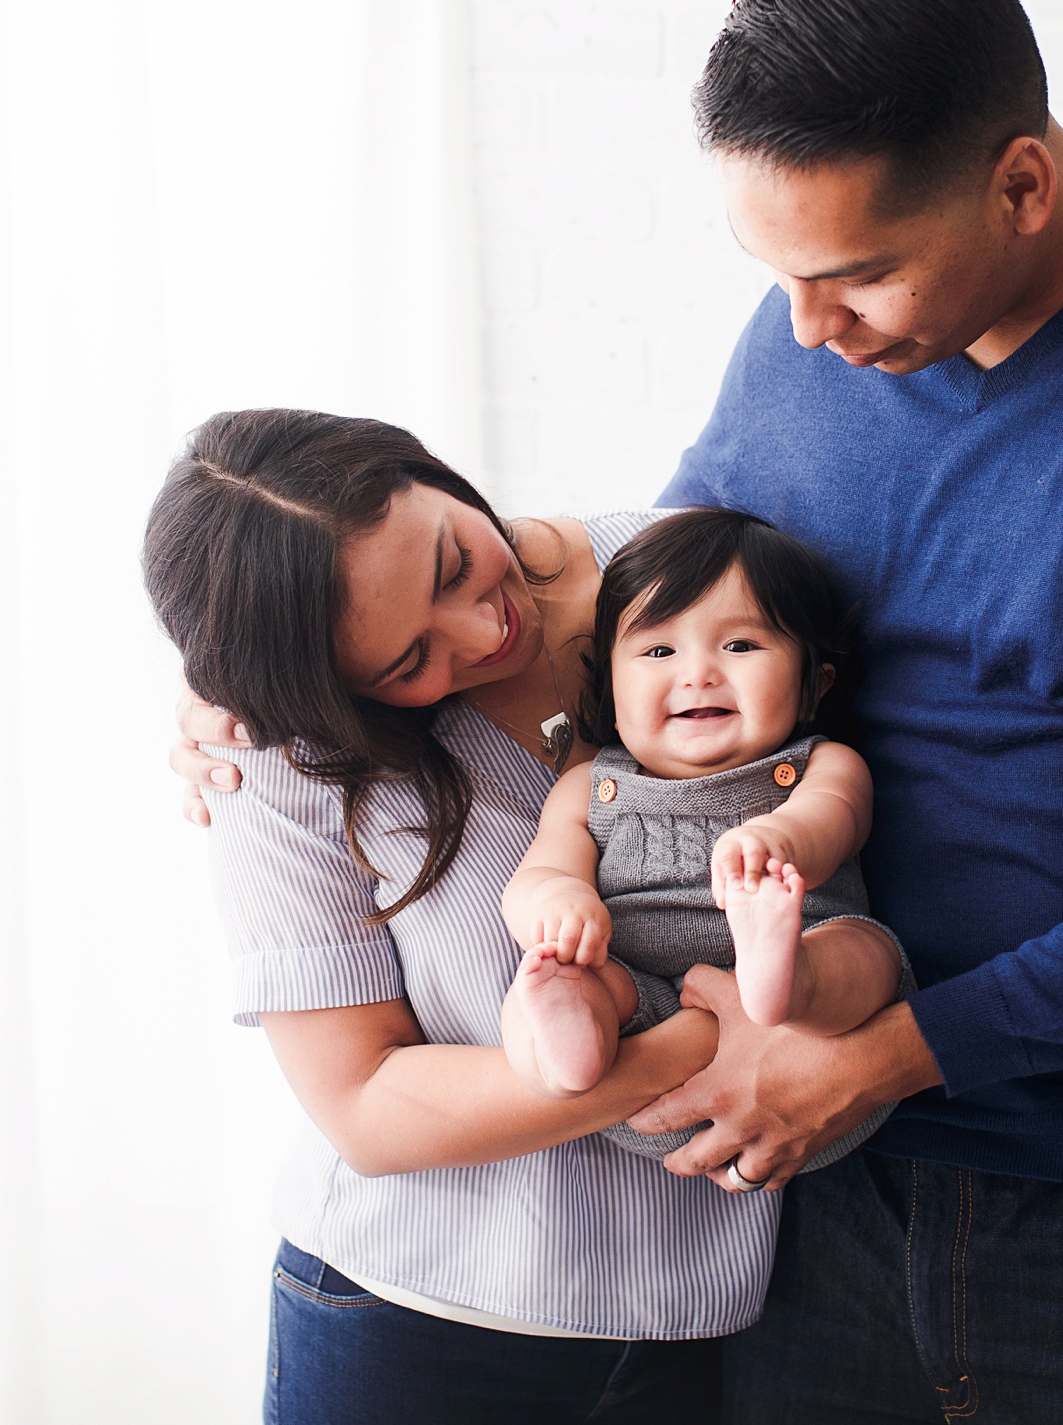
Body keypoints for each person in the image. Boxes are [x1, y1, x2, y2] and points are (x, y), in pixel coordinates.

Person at [182, 0, 1063, 1423]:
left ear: (1021, 183)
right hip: (804, 1203)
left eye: (860, 275)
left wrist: (895, 1056)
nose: (805, 330)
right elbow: (649, 618)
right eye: (777, 273)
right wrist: (262, 669)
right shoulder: (812, 329)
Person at [142, 410, 773, 1425]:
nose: (486, 632)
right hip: (414, 1333)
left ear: (427, 468)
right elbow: (367, 1106)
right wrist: (705, 1046)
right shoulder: (270, 753)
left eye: (449, 565)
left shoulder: (688, 573)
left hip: (718, 1326)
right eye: (404, 665)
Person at [498, 509, 905, 1179]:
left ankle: (786, 979)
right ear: (608, 683)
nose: (698, 673)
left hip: (810, 1046)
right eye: (659, 651)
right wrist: (558, 905)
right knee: (566, 976)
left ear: (815, 682)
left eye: (740, 646)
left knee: (866, 953)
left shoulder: (818, 766)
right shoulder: (588, 786)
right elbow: (540, 872)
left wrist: (781, 837)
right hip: (643, 1021)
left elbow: (834, 819)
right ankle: (568, 1038)